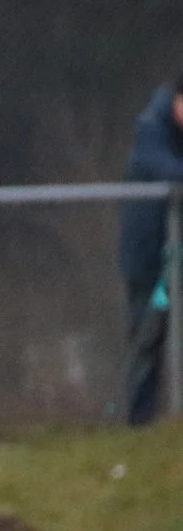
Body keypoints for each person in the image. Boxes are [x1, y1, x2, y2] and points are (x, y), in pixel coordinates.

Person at [119, 77, 183, 426]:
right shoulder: (150, 130)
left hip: (177, 257)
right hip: (149, 261)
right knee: (147, 338)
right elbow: (169, 171)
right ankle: (139, 420)